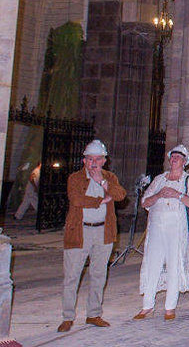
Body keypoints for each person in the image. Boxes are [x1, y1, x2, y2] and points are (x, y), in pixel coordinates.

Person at [57, 140, 126, 332]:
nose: (93, 163)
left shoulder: (109, 177)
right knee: (72, 275)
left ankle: (94, 314)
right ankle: (67, 317)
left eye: (97, 159)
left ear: (104, 160)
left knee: (98, 274)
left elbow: (120, 195)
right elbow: (76, 199)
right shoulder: (75, 178)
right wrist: (101, 200)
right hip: (79, 231)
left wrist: (102, 182)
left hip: (103, 232)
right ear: (84, 160)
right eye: (90, 159)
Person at [135, 144, 189, 320]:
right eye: (173, 156)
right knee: (153, 263)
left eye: (178, 157)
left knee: (174, 263)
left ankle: (170, 307)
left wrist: (176, 194)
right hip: (156, 228)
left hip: (177, 229)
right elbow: (145, 202)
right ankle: (147, 305)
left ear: (185, 161)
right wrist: (158, 195)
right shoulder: (159, 179)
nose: (174, 159)